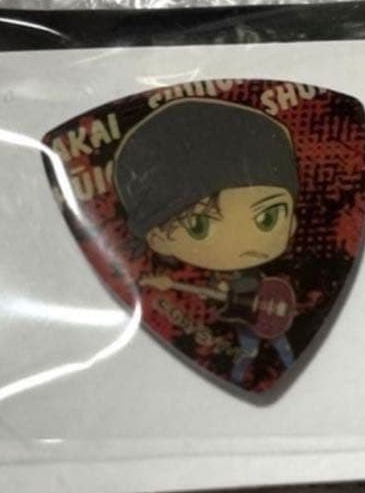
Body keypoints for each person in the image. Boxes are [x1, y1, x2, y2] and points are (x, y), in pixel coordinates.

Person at [114, 96, 299, 385]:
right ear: (158, 239)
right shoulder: (216, 284)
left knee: (282, 345)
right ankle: (242, 376)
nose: (241, 241)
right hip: (246, 320)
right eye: (199, 226)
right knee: (250, 350)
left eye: (268, 218)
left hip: (267, 312)